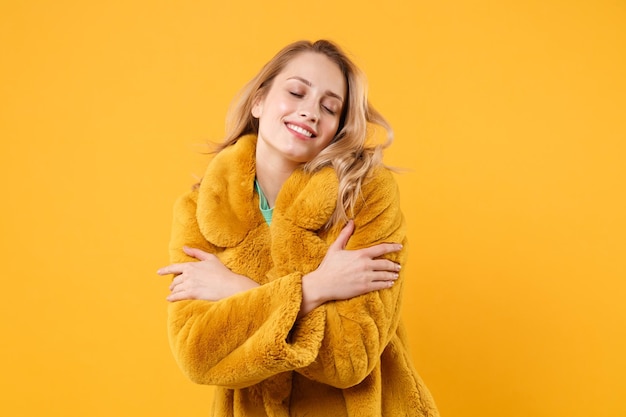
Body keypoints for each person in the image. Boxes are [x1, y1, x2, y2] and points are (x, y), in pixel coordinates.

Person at [157, 39, 439, 417]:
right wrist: (317, 287)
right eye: (296, 92)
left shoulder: (365, 195)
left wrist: (235, 290)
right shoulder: (199, 210)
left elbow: (351, 358)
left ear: (338, 128)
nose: (310, 112)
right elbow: (198, 355)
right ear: (259, 101)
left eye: (329, 107)